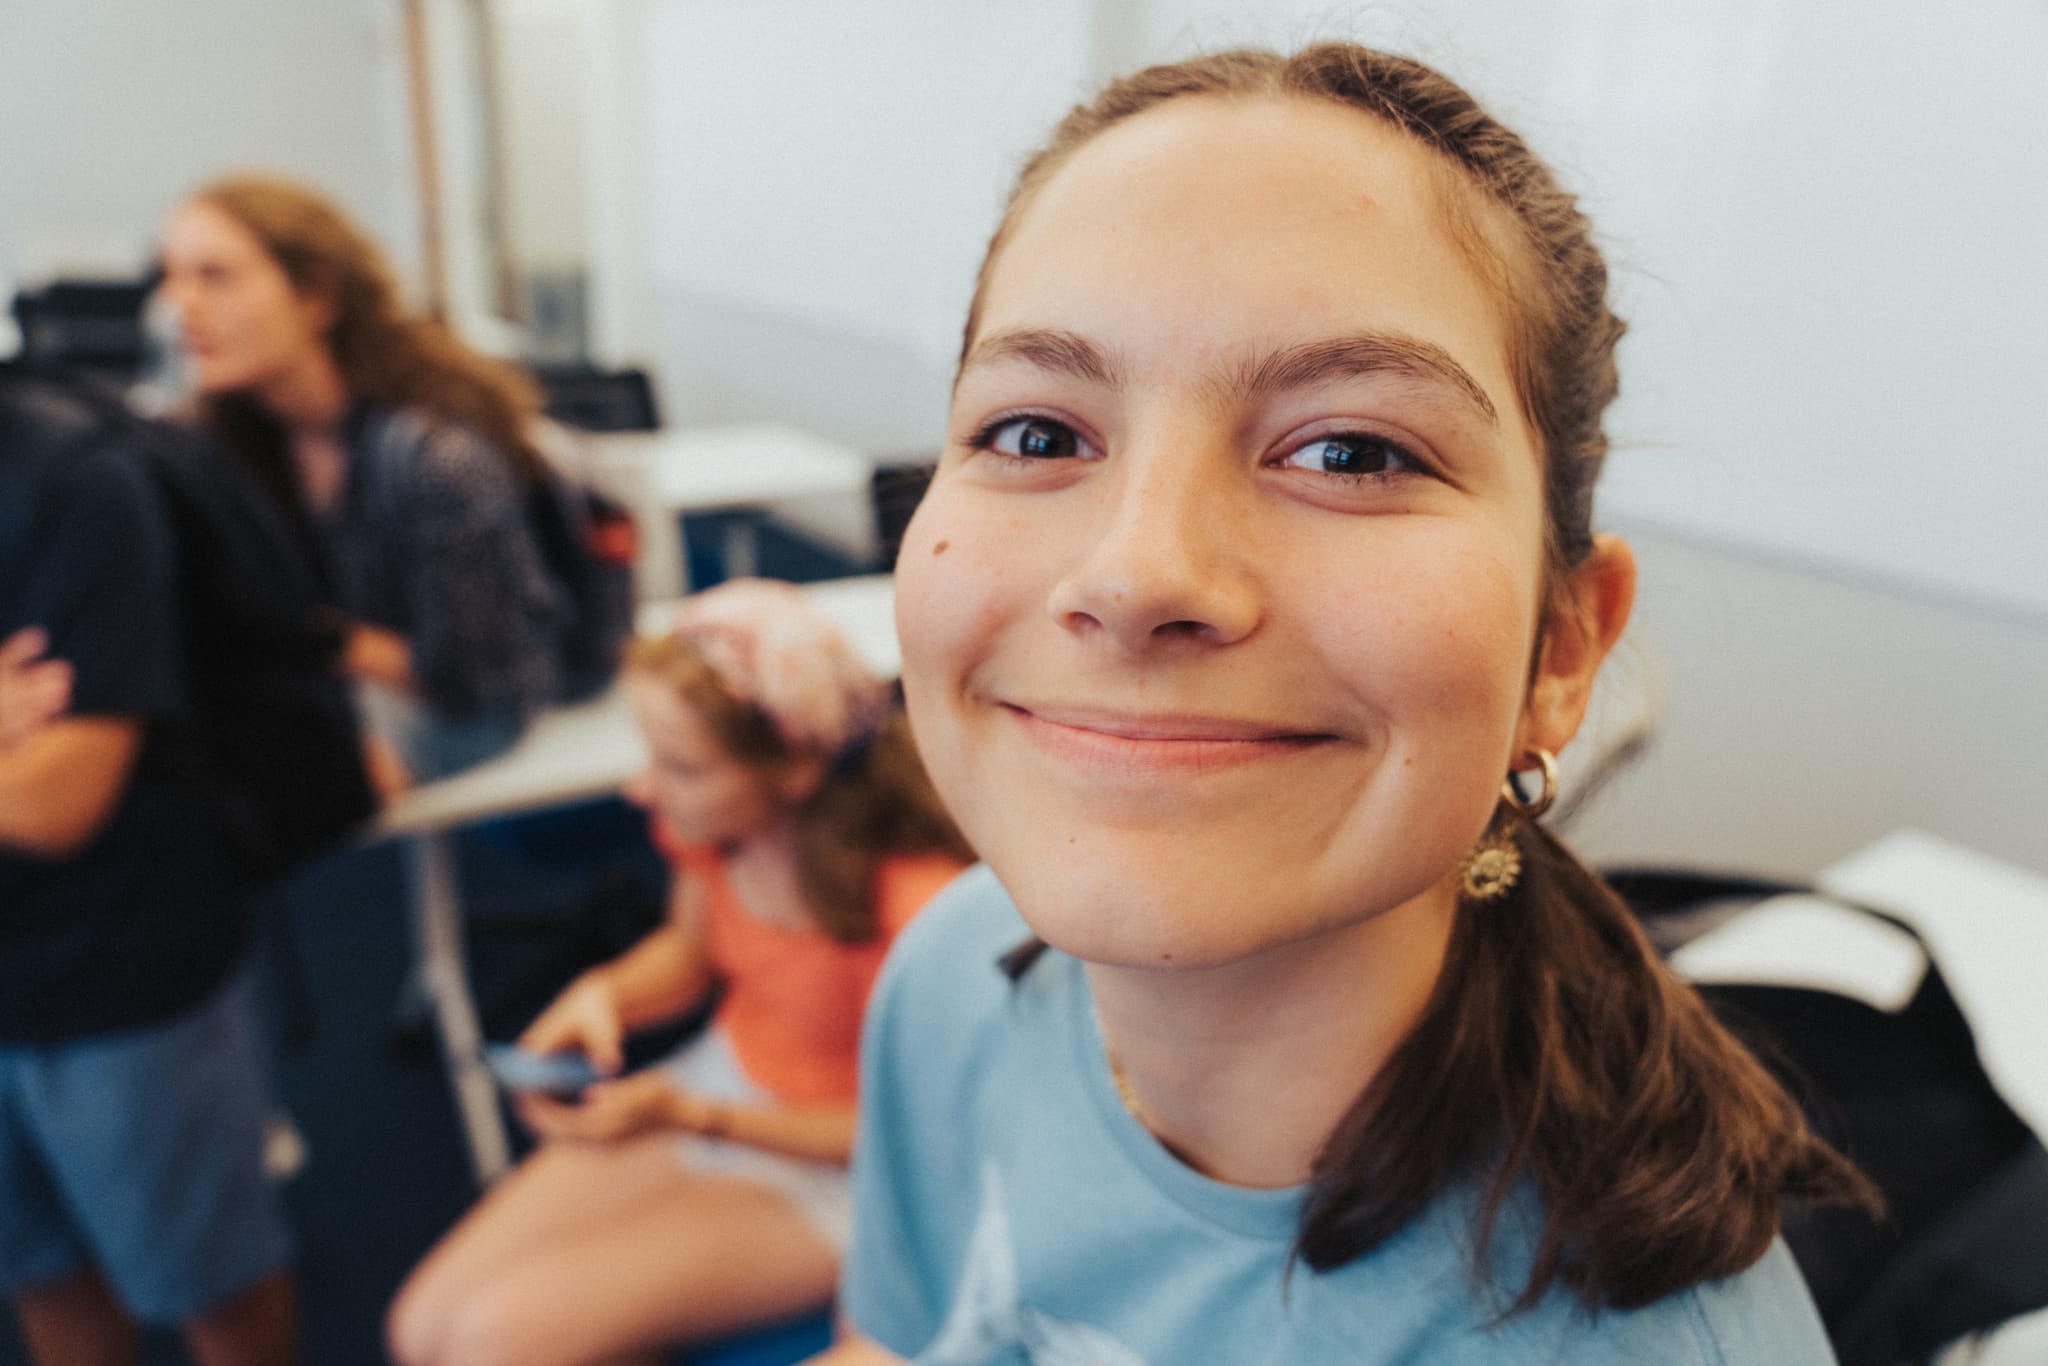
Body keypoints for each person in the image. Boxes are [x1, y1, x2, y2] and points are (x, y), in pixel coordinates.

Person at [827, 43, 1878, 1364]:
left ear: (1562, 647)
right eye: (1037, 432)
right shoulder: (955, 980)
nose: (1137, 572)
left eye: (1351, 449)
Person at [386, 579, 974, 1366]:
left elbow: (916, 1139)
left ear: (795, 769)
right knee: (421, 1324)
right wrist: (606, 993)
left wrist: (693, 1116)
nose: (644, 791)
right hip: (721, 1090)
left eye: (684, 768)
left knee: (495, 1341)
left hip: (854, 1170)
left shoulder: (917, 906)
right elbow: (690, 954)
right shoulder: (721, 828)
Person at [0, 364, 296, 1365]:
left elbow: (55, 797)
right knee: (38, 1268)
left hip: (111, 968)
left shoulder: (70, 477)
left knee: (210, 1283)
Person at [154, 175, 563, 785]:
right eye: (171, 276)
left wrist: (309, 640)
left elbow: (472, 677)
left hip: (463, 711)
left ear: (317, 297)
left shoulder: (436, 459)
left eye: (215, 276)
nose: (178, 306)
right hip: (337, 691)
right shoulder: (219, 445)